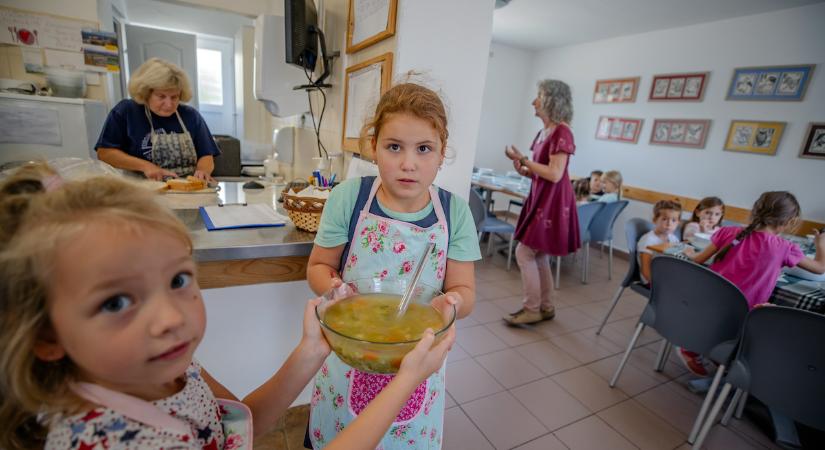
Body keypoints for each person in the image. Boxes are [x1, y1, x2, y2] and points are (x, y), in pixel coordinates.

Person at [0, 164, 454, 450]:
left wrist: (310, 352)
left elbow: (240, 423)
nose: (170, 317)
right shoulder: (111, 440)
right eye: (117, 301)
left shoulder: (175, 370)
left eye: (178, 280)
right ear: (47, 336)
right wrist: (408, 378)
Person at [305, 81, 480, 449]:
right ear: (374, 146)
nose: (408, 163)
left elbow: (465, 291)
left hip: (417, 362)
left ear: (441, 152)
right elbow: (318, 266)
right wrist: (335, 289)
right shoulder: (348, 198)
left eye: (424, 149)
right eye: (394, 147)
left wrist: (452, 304)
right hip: (349, 353)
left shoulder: (455, 213)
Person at [681, 191, 825, 376]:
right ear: (790, 222)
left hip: (709, 304)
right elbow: (820, 268)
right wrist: (821, 243)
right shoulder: (784, 248)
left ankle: (700, 350)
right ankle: (724, 359)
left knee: (724, 320)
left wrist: (689, 253)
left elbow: (698, 259)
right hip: (745, 316)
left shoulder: (729, 232)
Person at [502, 79, 580, 325]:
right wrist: (522, 167)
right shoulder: (543, 132)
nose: (533, 101)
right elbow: (540, 170)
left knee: (524, 252)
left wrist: (524, 159)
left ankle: (532, 308)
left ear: (550, 101)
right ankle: (545, 306)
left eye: (538, 96)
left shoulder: (562, 132)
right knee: (539, 254)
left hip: (552, 201)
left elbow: (555, 173)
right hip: (541, 196)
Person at [95, 58, 220, 181]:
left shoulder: (191, 116)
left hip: (186, 188)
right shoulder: (126, 111)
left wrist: (203, 171)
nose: (169, 104)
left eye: (174, 97)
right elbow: (105, 153)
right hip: (140, 189)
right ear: (146, 93)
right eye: (161, 96)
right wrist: (146, 167)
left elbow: (206, 155)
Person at [637, 200, 682, 285]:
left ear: (678, 222)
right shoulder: (648, 240)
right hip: (653, 280)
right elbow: (646, 271)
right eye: (664, 219)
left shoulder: (674, 239)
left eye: (674, 220)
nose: (669, 224)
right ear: (655, 219)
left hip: (667, 275)